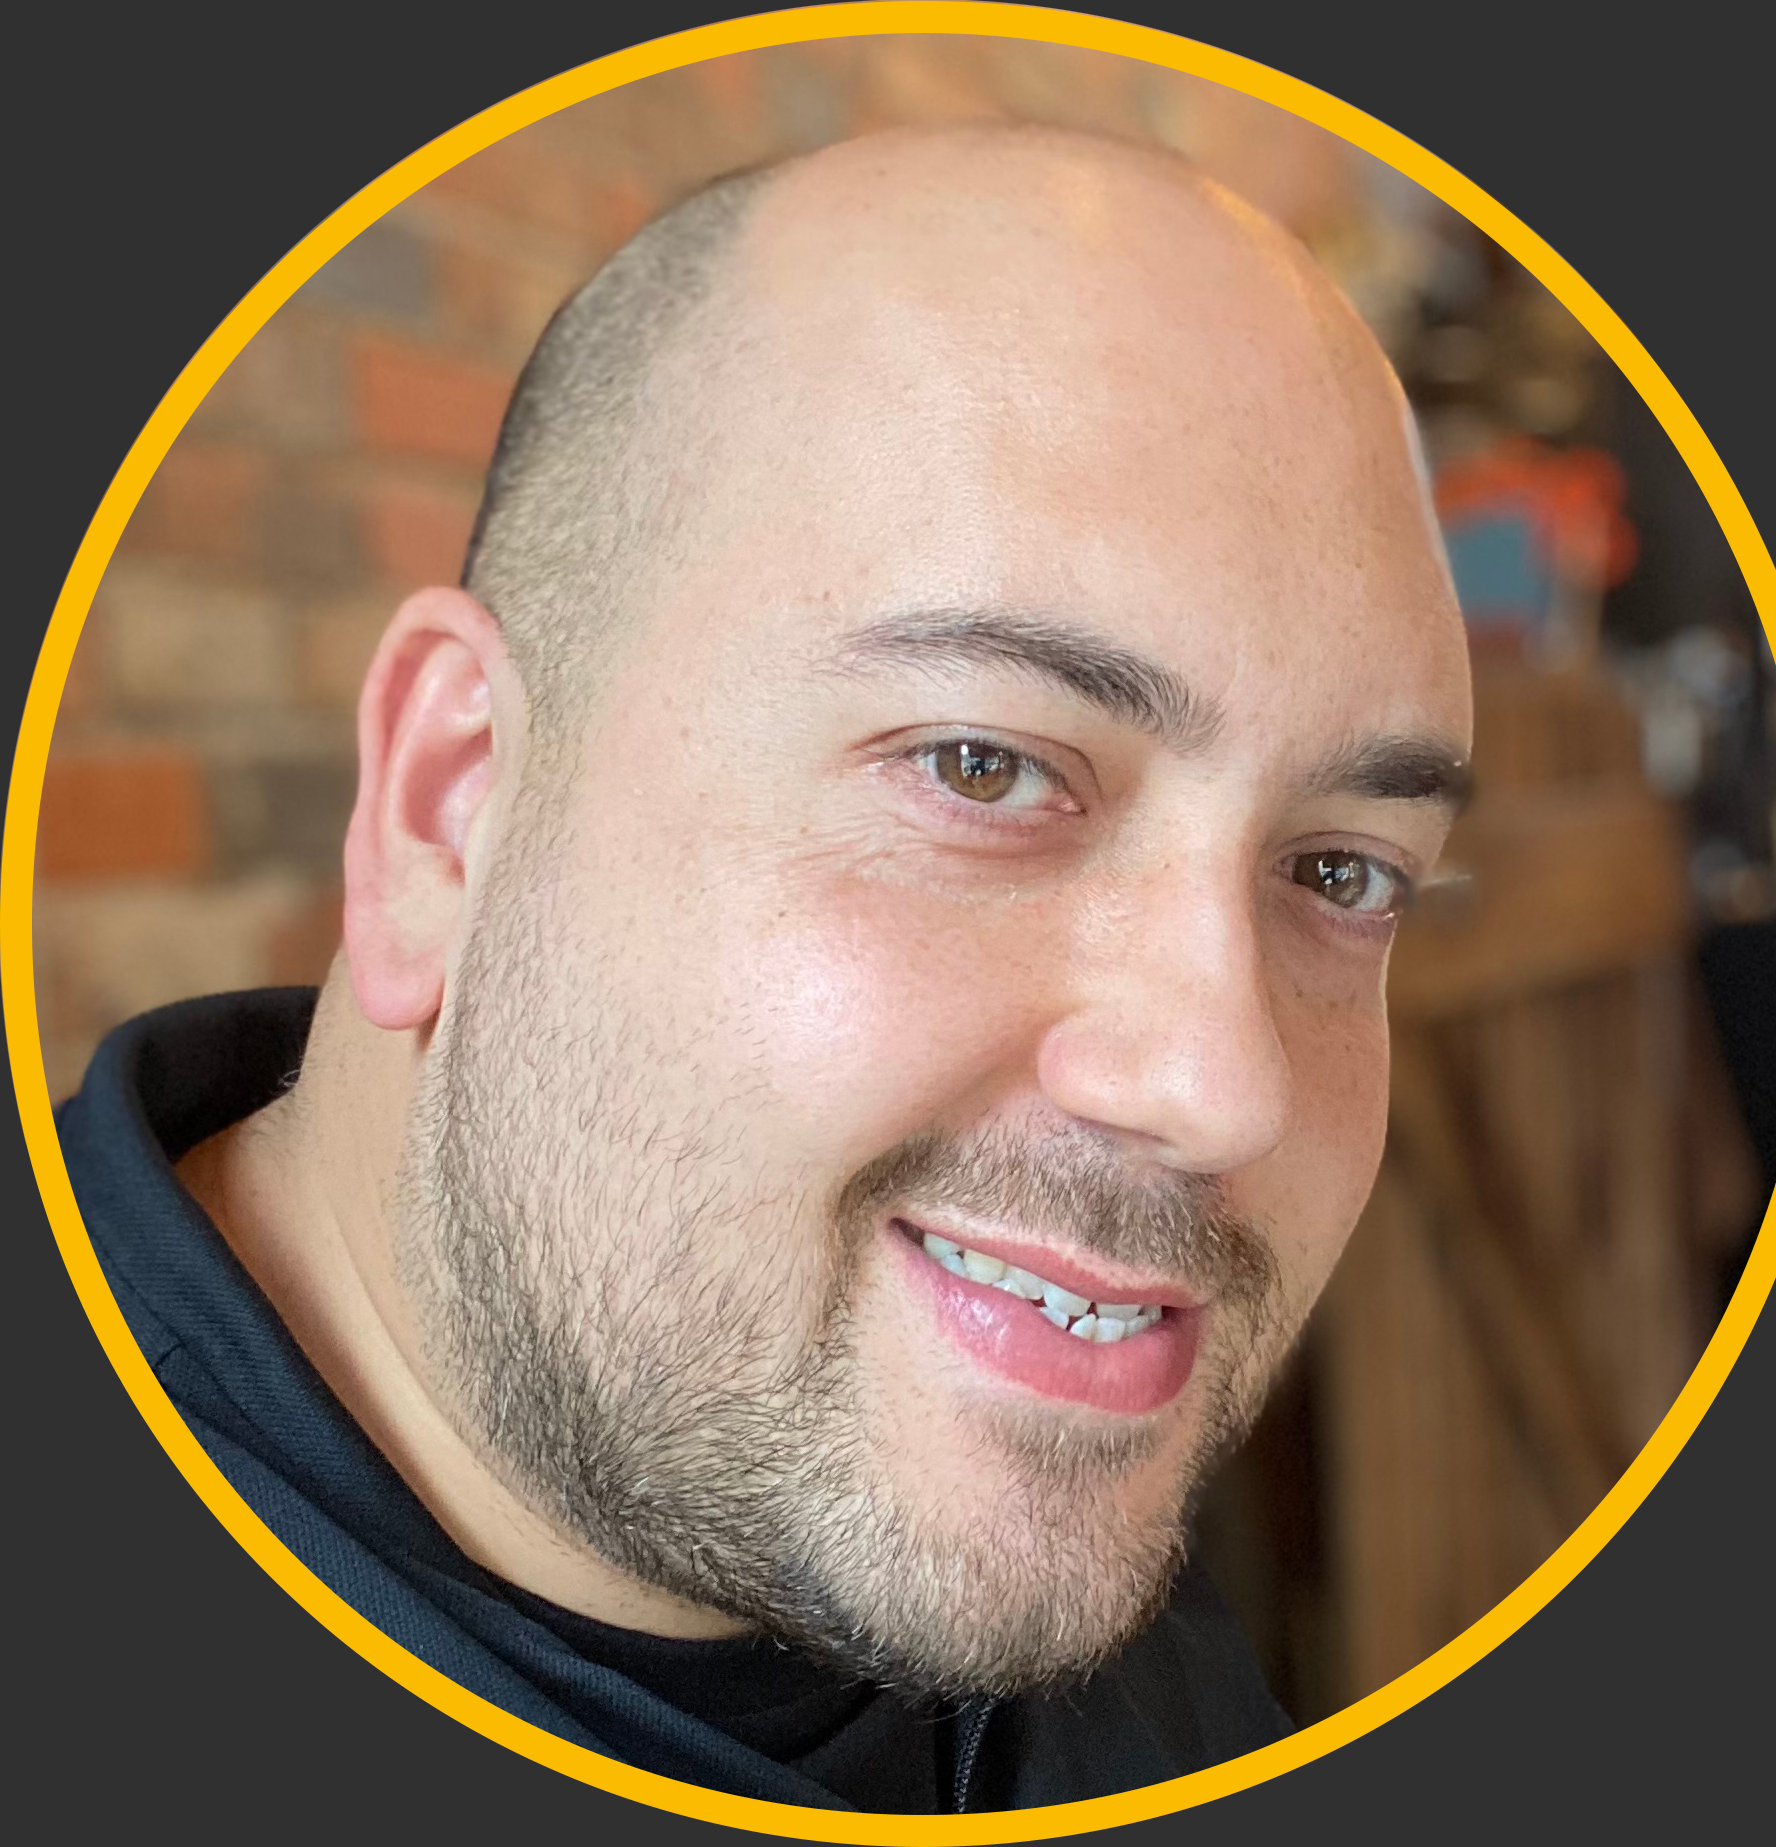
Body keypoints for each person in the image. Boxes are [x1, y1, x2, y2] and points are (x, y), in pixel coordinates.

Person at [57, 124, 1473, 1813]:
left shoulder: (984, 1453)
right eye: (982, 768)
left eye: (1339, 871)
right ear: (451, 807)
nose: (1224, 1088)